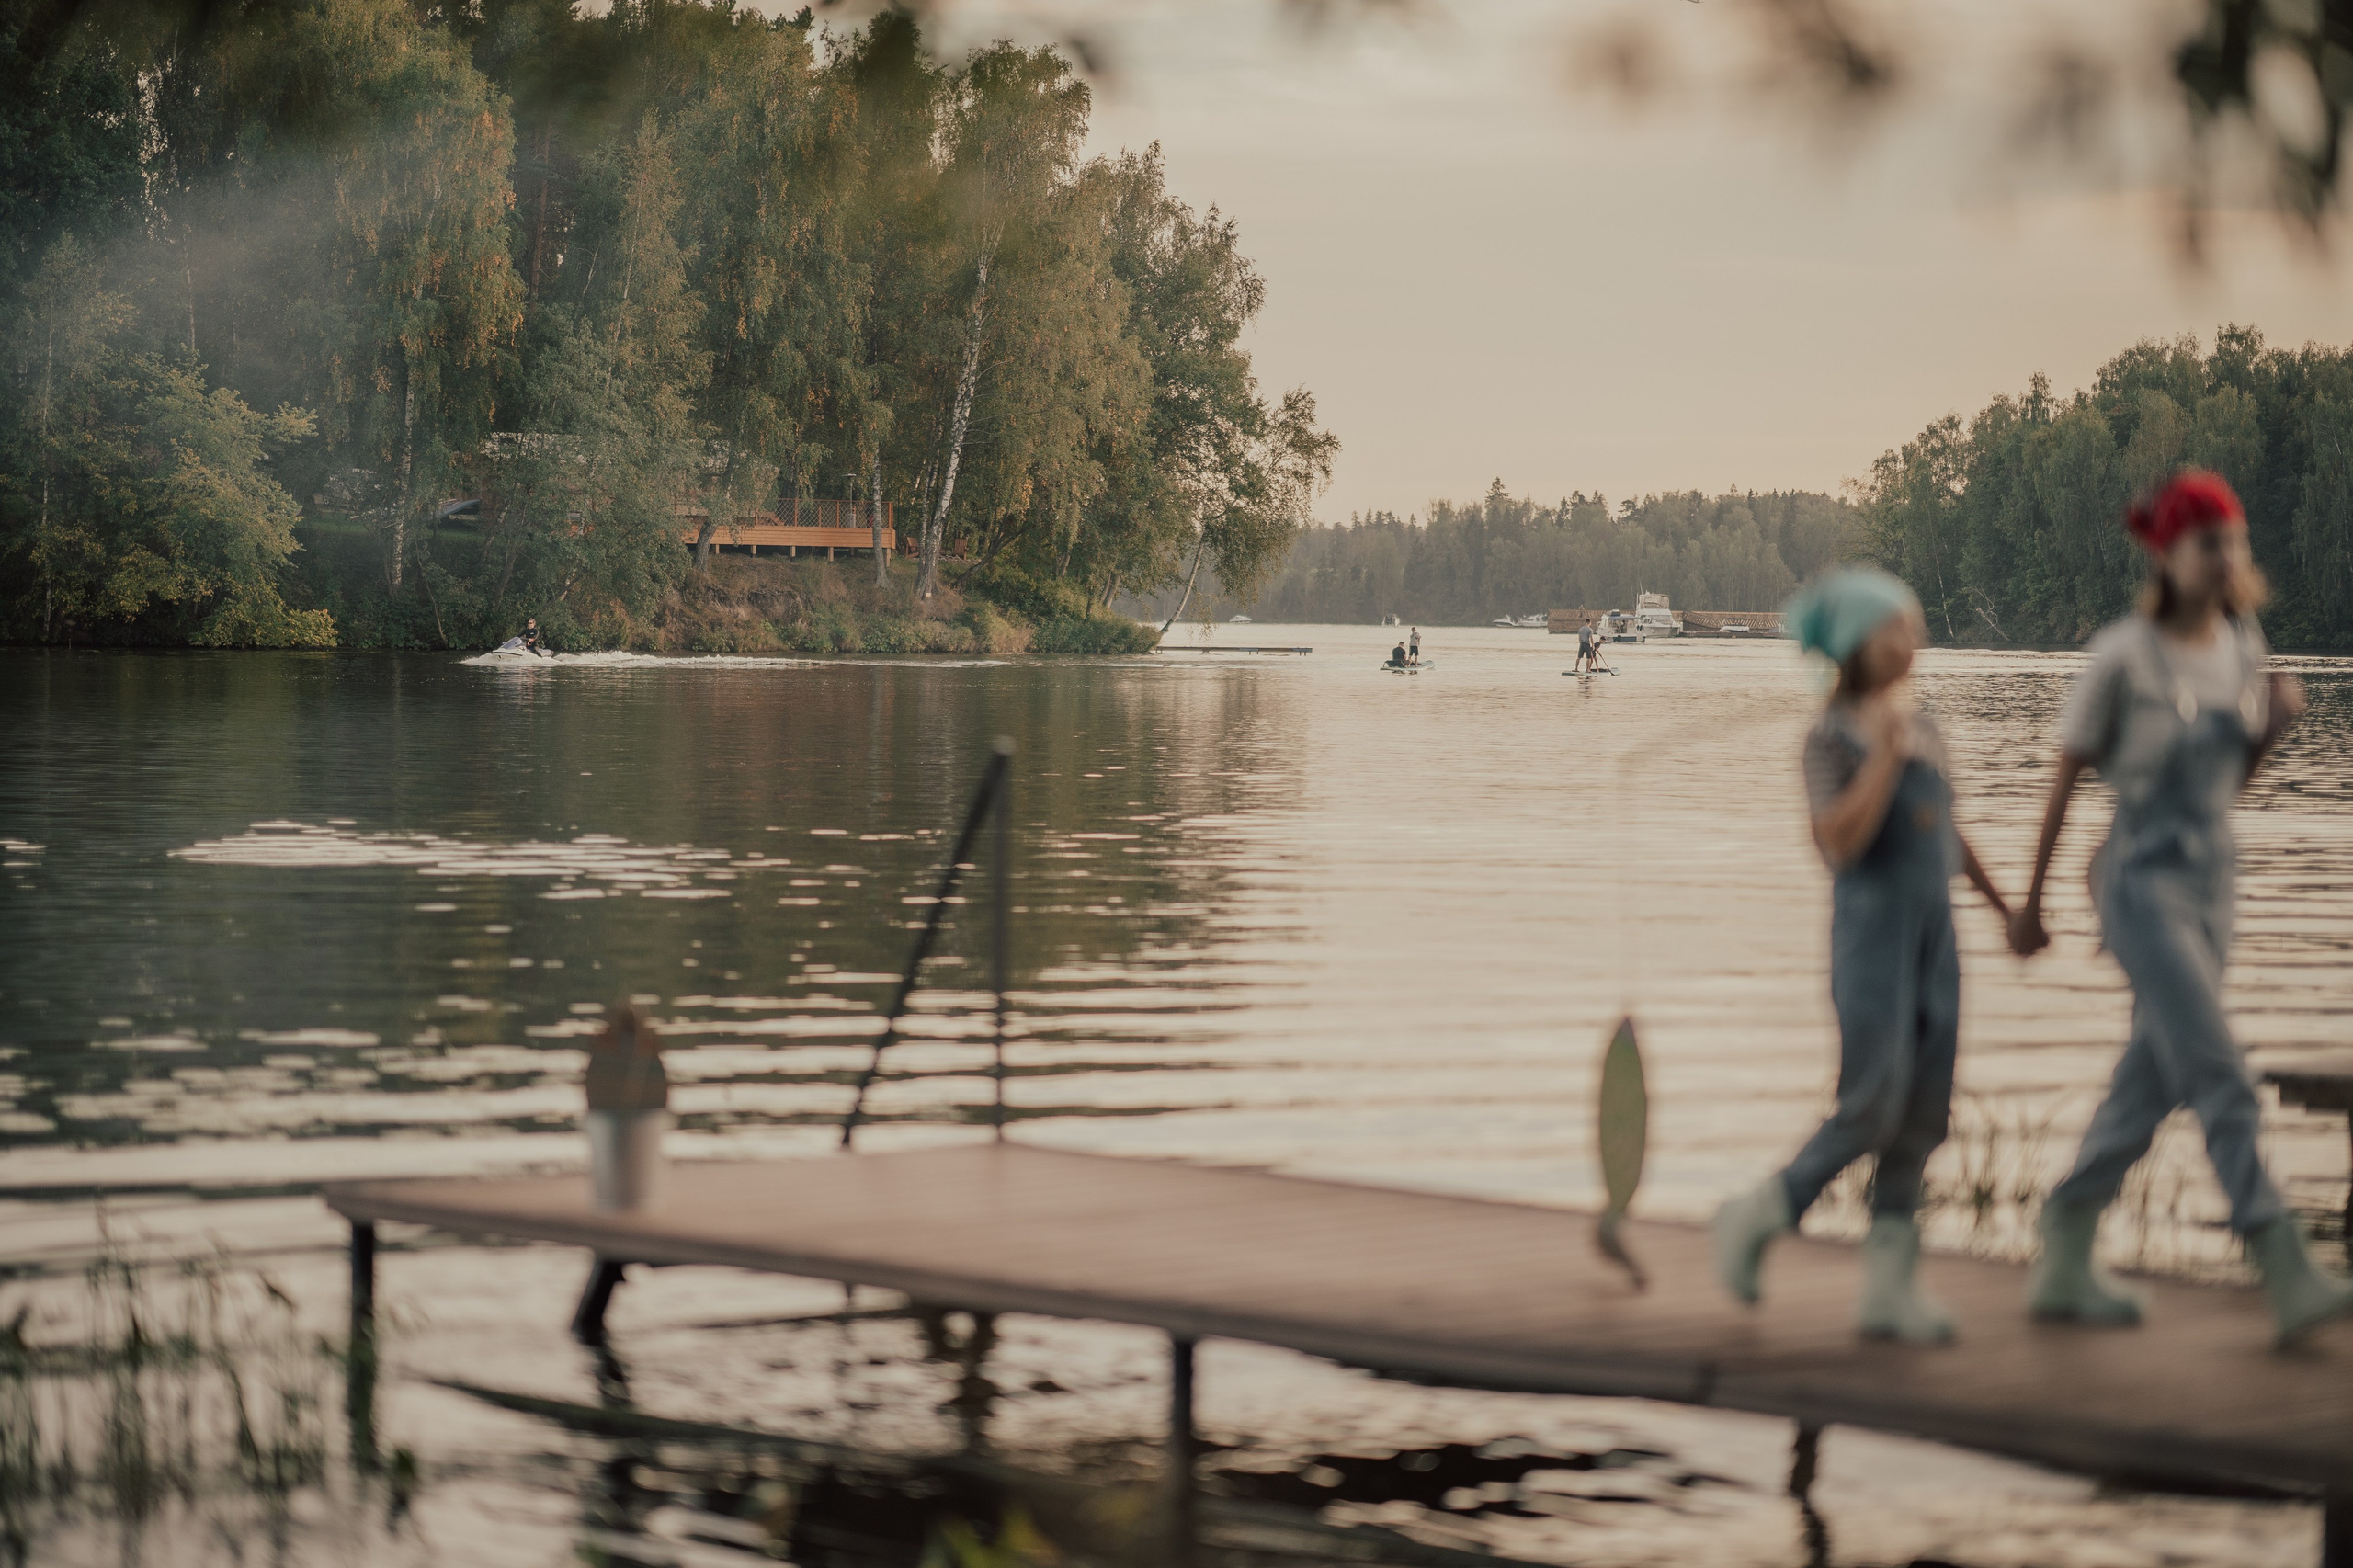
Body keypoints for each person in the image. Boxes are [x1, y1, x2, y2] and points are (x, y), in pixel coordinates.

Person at [2009, 470, 2350, 1346]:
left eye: (2235, 540)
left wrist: (2271, 732)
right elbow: (2064, 781)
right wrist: (2029, 904)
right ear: (2168, 553)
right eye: (2210, 542)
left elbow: (2227, 788)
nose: (2227, 556)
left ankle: (2066, 1240)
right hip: (2140, 881)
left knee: (2155, 1074)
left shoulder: (2243, 644)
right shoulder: (2124, 656)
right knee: (2220, 1072)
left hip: (2213, 880)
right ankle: (2282, 1264)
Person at [1711, 567, 2013, 1344]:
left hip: (1935, 942)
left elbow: (1948, 835)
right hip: (1872, 942)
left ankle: (1888, 1288)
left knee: (1924, 1111)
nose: (1912, 640)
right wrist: (1883, 757)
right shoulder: (1828, 738)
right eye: (1894, 628)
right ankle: (1758, 1215)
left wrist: (2006, 909)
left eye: (1913, 626)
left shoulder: (1926, 726)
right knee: (1872, 1100)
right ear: (1855, 644)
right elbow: (1838, 845)